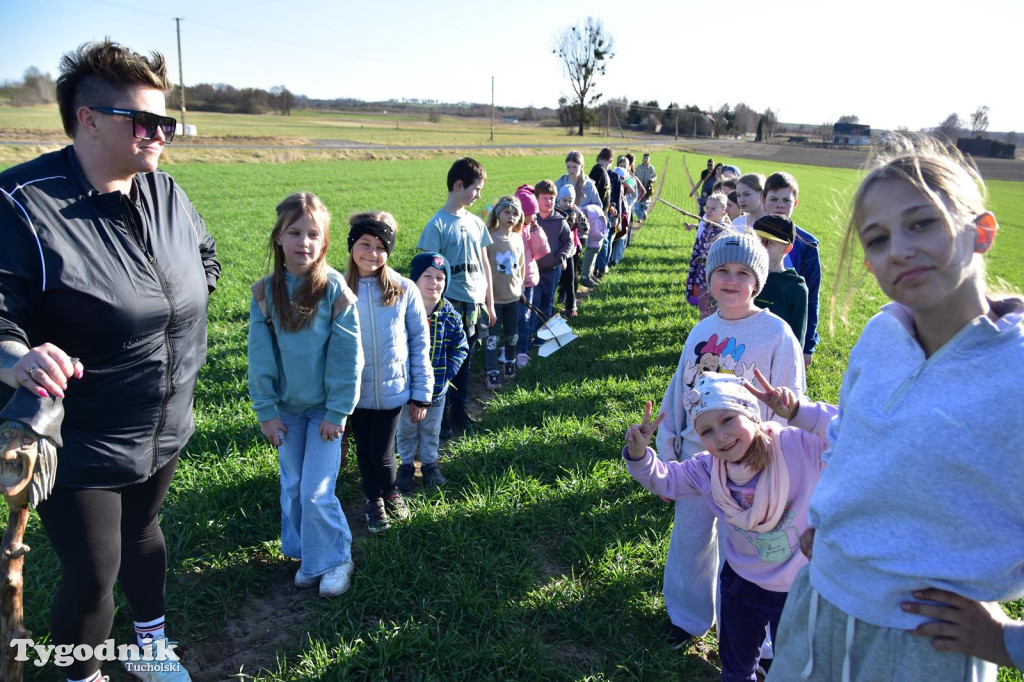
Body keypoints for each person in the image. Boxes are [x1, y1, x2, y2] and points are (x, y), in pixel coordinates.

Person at [765, 134, 1024, 681]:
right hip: (818, 606)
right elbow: (851, 438)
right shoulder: (881, 334)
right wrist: (830, 516)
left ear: (981, 232)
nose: (898, 249)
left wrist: (1007, 641)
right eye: (877, 239)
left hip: (924, 647)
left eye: (921, 223)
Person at [0, 40, 219, 682]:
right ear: (88, 119)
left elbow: (204, 256)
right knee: (95, 575)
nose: (160, 136)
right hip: (81, 438)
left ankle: (149, 641)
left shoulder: (167, 192)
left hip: (164, 420)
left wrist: (184, 302)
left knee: (145, 534)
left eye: (166, 124)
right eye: (143, 122)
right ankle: (83, 674)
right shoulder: (22, 204)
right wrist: (17, 357)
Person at [625, 371, 833, 681]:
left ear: (751, 414)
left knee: (798, 670)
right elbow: (664, 480)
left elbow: (851, 432)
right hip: (741, 586)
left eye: (728, 420)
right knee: (735, 667)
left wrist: (802, 412)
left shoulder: (796, 446)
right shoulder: (708, 469)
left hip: (799, 586)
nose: (720, 436)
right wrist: (639, 453)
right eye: (706, 431)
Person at [657, 231, 805, 651]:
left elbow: (790, 399)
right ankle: (687, 618)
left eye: (743, 272)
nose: (731, 279)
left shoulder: (777, 334)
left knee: (748, 549)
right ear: (709, 277)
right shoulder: (701, 330)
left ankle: (752, 637)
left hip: (751, 467)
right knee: (689, 540)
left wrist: (776, 462)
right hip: (696, 459)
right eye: (722, 269)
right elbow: (679, 392)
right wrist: (668, 448)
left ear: (758, 282)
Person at [247, 193, 361, 598]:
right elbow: (260, 358)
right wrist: (265, 411)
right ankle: (310, 556)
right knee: (293, 485)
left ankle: (335, 559)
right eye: (295, 232)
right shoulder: (264, 293)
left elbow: (348, 357)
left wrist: (337, 411)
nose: (304, 242)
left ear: (325, 242)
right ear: (278, 237)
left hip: (324, 413)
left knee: (316, 490)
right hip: (287, 411)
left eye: (314, 234)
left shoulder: (335, 291)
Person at [347, 212, 432, 533]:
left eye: (381, 246)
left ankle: (391, 491)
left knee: (381, 453)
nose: (372, 253)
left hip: (394, 390)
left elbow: (418, 342)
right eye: (364, 244)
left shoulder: (404, 289)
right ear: (352, 246)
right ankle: (373, 500)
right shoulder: (338, 290)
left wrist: (422, 393)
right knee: (364, 450)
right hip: (353, 392)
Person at [417, 158, 494, 434]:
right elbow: (426, 271)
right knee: (444, 361)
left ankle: (460, 413)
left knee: (466, 359)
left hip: (474, 303)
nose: (479, 196)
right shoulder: (436, 225)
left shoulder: (476, 223)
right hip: (448, 306)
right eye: (476, 189)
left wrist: (490, 303)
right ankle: (443, 419)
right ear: (459, 185)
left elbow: (485, 265)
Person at [395, 253, 468, 492]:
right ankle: (405, 464)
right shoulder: (401, 312)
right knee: (406, 429)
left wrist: (446, 373)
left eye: (440, 277)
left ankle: (428, 463)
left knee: (430, 429)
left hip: (437, 390)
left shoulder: (451, 317)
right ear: (414, 279)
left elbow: (461, 346)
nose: (434, 282)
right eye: (427, 276)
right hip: (406, 389)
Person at [761, 172, 821, 368]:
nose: (779, 205)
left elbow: (811, 296)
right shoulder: (751, 236)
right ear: (763, 201)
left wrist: (807, 346)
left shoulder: (808, 245)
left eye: (786, 200)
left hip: (787, 330)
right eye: (774, 199)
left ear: (795, 203)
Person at [484, 196, 525, 388]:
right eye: (507, 212)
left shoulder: (518, 238)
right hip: (494, 299)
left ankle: (510, 362)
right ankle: (492, 371)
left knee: (512, 334)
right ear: (498, 213)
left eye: (515, 213)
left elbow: (521, 267)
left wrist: (522, 289)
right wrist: (485, 297)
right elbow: (484, 268)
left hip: (513, 298)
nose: (511, 216)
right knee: (492, 337)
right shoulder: (489, 238)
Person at [752, 214, 808, 346]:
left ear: (787, 248)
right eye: (757, 239)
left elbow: (795, 341)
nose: (760, 246)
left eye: (768, 242)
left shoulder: (795, 288)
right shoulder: (743, 275)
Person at [513, 185, 550, 368]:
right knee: (515, 319)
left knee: (526, 318)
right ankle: (511, 349)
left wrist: (536, 231)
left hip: (529, 280)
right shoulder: (512, 231)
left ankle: (523, 350)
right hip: (512, 282)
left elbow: (541, 252)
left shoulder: (531, 228)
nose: (535, 216)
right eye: (532, 213)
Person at [532, 180, 573, 337]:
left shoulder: (560, 220)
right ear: (536, 198)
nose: (548, 201)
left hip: (552, 270)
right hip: (532, 271)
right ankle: (530, 332)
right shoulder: (530, 219)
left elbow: (568, 242)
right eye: (544, 197)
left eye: (551, 198)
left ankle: (543, 335)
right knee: (533, 302)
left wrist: (560, 257)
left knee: (547, 303)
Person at [684, 192, 731, 319]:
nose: (708, 211)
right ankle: (704, 334)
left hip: (719, 278)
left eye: (713, 208)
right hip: (702, 276)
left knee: (718, 311)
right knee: (704, 310)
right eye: (707, 207)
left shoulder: (727, 232)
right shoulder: (705, 227)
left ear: (724, 212)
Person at [555, 185, 586, 317]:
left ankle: (570, 306)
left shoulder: (573, 214)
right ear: (559, 200)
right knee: (555, 280)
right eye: (564, 200)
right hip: (555, 252)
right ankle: (553, 304)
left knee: (570, 280)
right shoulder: (553, 213)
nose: (567, 204)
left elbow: (585, 229)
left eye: (570, 201)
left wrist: (578, 213)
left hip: (570, 252)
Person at [579, 204, 607, 289]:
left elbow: (599, 203)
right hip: (588, 218)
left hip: (594, 217)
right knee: (591, 251)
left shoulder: (591, 190)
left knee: (594, 250)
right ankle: (585, 276)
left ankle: (589, 274)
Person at [634, 152, 657, 224]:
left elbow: (655, 176)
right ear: (643, 159)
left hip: (647, 189)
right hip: (639, 188)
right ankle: (640, 218)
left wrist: (651, 180)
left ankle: (644, 212)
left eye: (647, 158)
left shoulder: (651, 168)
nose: (646, 159)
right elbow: (634, 176)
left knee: (646, 204)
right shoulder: (638, 167)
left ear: (649, 159)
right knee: (637, 204)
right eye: (645, 158)